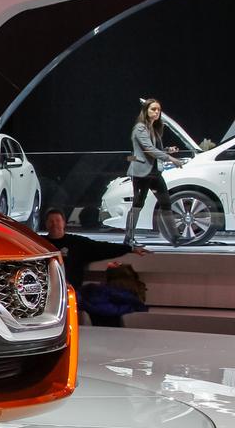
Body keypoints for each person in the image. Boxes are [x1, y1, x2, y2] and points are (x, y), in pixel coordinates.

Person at [43, 208, 146, 289]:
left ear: (64, 223)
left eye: (57, 221)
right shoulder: (39, 244)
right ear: (46, 224)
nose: (54, 224)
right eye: (51, 221)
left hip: (71, 291)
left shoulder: (77, 243)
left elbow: (103, 248)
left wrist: (130, 249)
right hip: (45, 291)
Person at [126, 97, 181, 247]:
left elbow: (154, 149)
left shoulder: (154, 128)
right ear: (146, 111)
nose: (156, 112)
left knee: (166, 203)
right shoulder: (140, 128)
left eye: (158, 110)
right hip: (141, 173)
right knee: (138, 204)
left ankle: (175, 238)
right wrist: (171, 158)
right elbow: (148, 149)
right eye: (153, 109)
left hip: (155, 172)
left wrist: (167, 150)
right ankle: (129, 238)